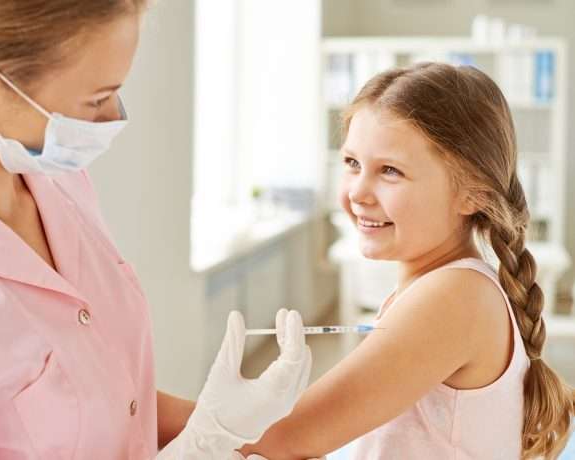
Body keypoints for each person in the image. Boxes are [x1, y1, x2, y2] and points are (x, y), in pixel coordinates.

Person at [0, 1, 311, 458]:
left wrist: (231, 430)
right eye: (97, 98)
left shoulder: (62, 188)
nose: (112, 117)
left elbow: (101, 400)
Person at [239, 63, 575, 460]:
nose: (358, 192)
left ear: (472, 194)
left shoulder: (456, 297)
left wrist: (147, 403)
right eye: (351, 163)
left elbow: (284, 438)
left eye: (390, 171)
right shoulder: (436, 287)